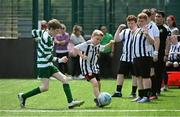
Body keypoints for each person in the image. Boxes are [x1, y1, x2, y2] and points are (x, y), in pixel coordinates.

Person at [18, 19, 84, 109]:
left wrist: (37, 39)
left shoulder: (44, 32)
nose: (57, 33)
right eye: (56, 31)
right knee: (45, 87)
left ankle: (70, 102)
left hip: (48, 64)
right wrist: (60, 60)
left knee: (64, 79)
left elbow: (33, 32)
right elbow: (47, 56)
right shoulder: (47, 39)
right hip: (44, 65)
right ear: (51, 29)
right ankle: (23, 96)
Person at [74, 29, 114, 107]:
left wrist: (110, 43)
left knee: (98, 83)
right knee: (95, 83)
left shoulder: (98, 45)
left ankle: (97, 98)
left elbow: (103, 48)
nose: (98, 41)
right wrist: (81, 55)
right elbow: (76, 48)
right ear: (92, 36)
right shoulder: (87, 44)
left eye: (100, 40)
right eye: (97, 39)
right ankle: (99, 100)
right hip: (86, 67)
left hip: (94, 67)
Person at [112, 15, 138, 98]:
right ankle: (118, 91)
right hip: (125, 57)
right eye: (129, 23)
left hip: (135, 57)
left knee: (135, 75)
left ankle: (133, 92)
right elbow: (116, 39)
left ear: (136, 23)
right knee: (120, 73)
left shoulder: (139, 31)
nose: (130, 25)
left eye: (132, 23)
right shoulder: (125, 31)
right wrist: (119, 29)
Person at [132, 13, 154, 103]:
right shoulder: (137, 30)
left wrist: (147, 34)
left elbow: (152, 42)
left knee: (146, 76)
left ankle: (147, 96)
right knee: (138, 77)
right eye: (139, 21)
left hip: (145, 57)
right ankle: (140, 95)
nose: (140, 22)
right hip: (136, 57)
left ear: (146, 21)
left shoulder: (148, 29)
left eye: (142, 21)